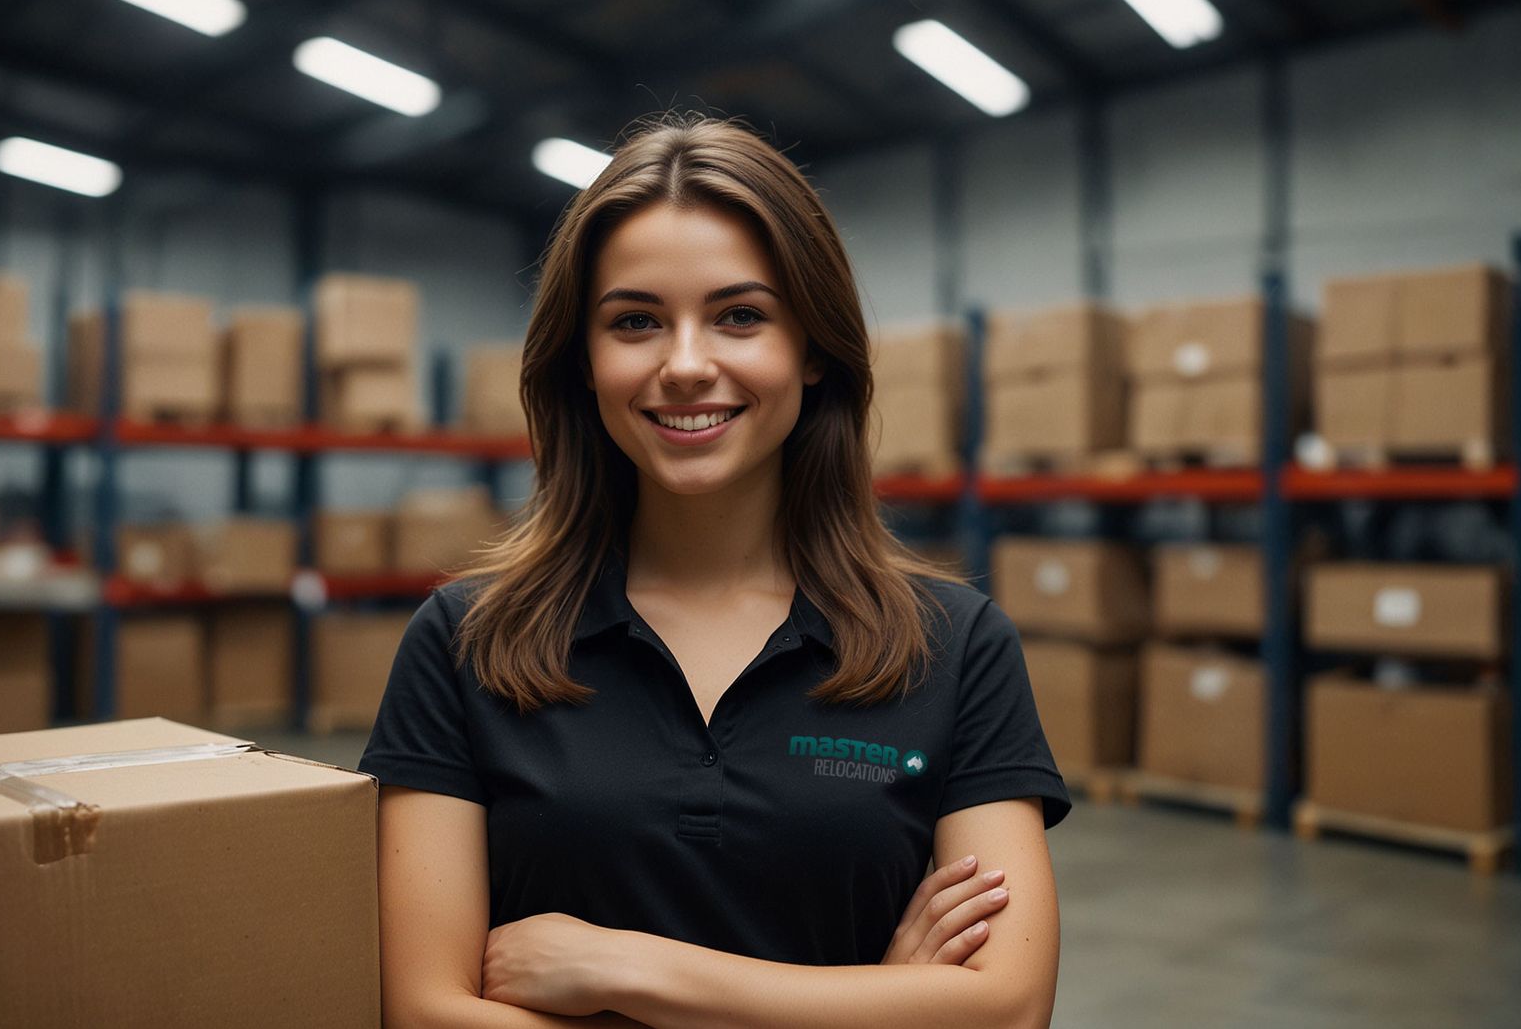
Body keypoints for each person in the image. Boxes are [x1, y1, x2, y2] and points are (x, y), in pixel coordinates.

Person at [360, 114, 1071, 1028]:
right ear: (583, 359)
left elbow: (1008, 1010)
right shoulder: (466, 642)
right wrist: (875, 1005)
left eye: (740, 315)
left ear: (812, 346)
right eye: (635, 321)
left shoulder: (953, 645)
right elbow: (423, 1012)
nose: (686, 364)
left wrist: (627, 968)